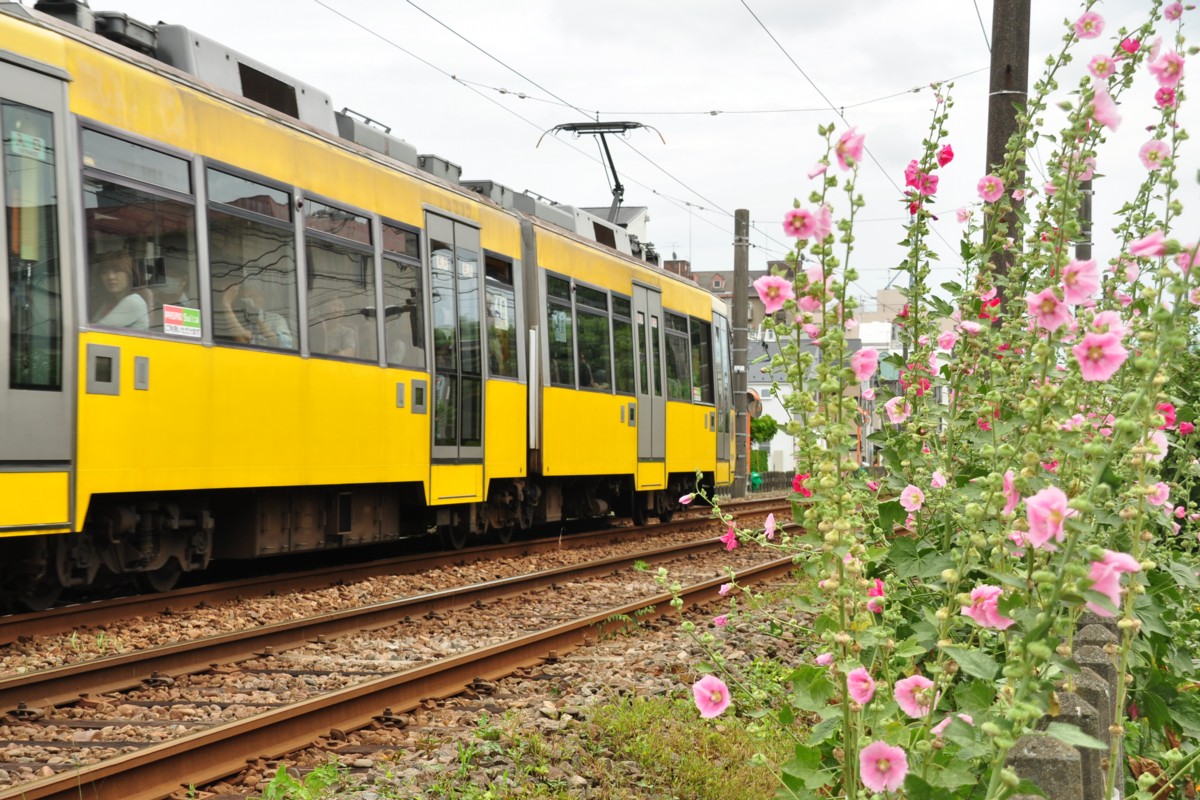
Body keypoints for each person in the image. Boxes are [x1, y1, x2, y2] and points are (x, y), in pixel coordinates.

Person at [91, 249, 149, 329]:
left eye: (117, 271)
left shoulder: (133, 301)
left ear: (129, 274)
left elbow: (95, 332)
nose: (110, 277)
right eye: (105, 272)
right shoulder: (110, 302)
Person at [241, 280, 293, 348]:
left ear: (262, 297)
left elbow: (286, 345)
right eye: (247, 298)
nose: (250, 301)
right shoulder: (238, 319)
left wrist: (259, 321)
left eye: (253, 296)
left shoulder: (276, 319)